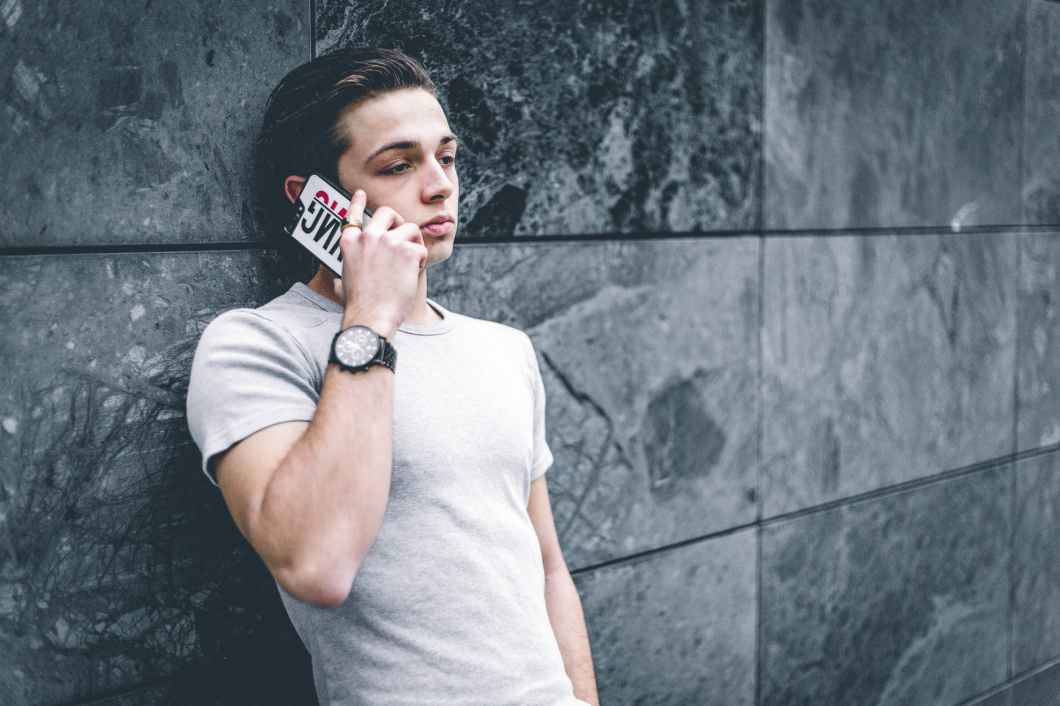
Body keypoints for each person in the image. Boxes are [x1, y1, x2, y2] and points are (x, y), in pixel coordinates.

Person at [184, 46, 599, 705]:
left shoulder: (504, 350)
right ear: (312, 200)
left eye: (447, 156)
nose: (439, 184)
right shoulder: (255, 344)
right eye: (399, 164)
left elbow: (548, 565)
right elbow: (315, 564)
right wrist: (371, 316)